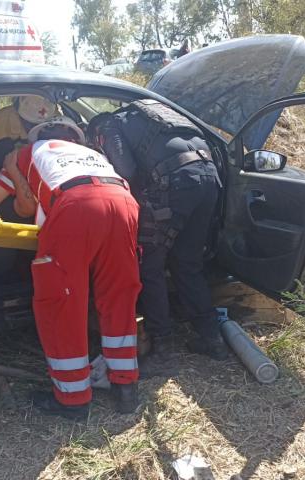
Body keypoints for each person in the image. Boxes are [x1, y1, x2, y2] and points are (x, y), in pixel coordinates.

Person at [1, 116, 141, 419]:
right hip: (123, 201)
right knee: (119, 294)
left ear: (35, 137)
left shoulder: (29, 153)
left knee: (62, 301)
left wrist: (11, 168)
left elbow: (24, 207)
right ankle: (125, 386)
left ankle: (73, 398)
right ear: (75, 138)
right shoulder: (93, 155)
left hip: (75, 206)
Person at [87, 100, 228, 370]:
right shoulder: (150, 114)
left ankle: (161, 347)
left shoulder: (107, 125)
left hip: (175, 181)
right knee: (188, 262)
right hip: (209, 177)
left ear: (96, 134)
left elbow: (125, 170)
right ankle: (211, 337)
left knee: (149, 264)